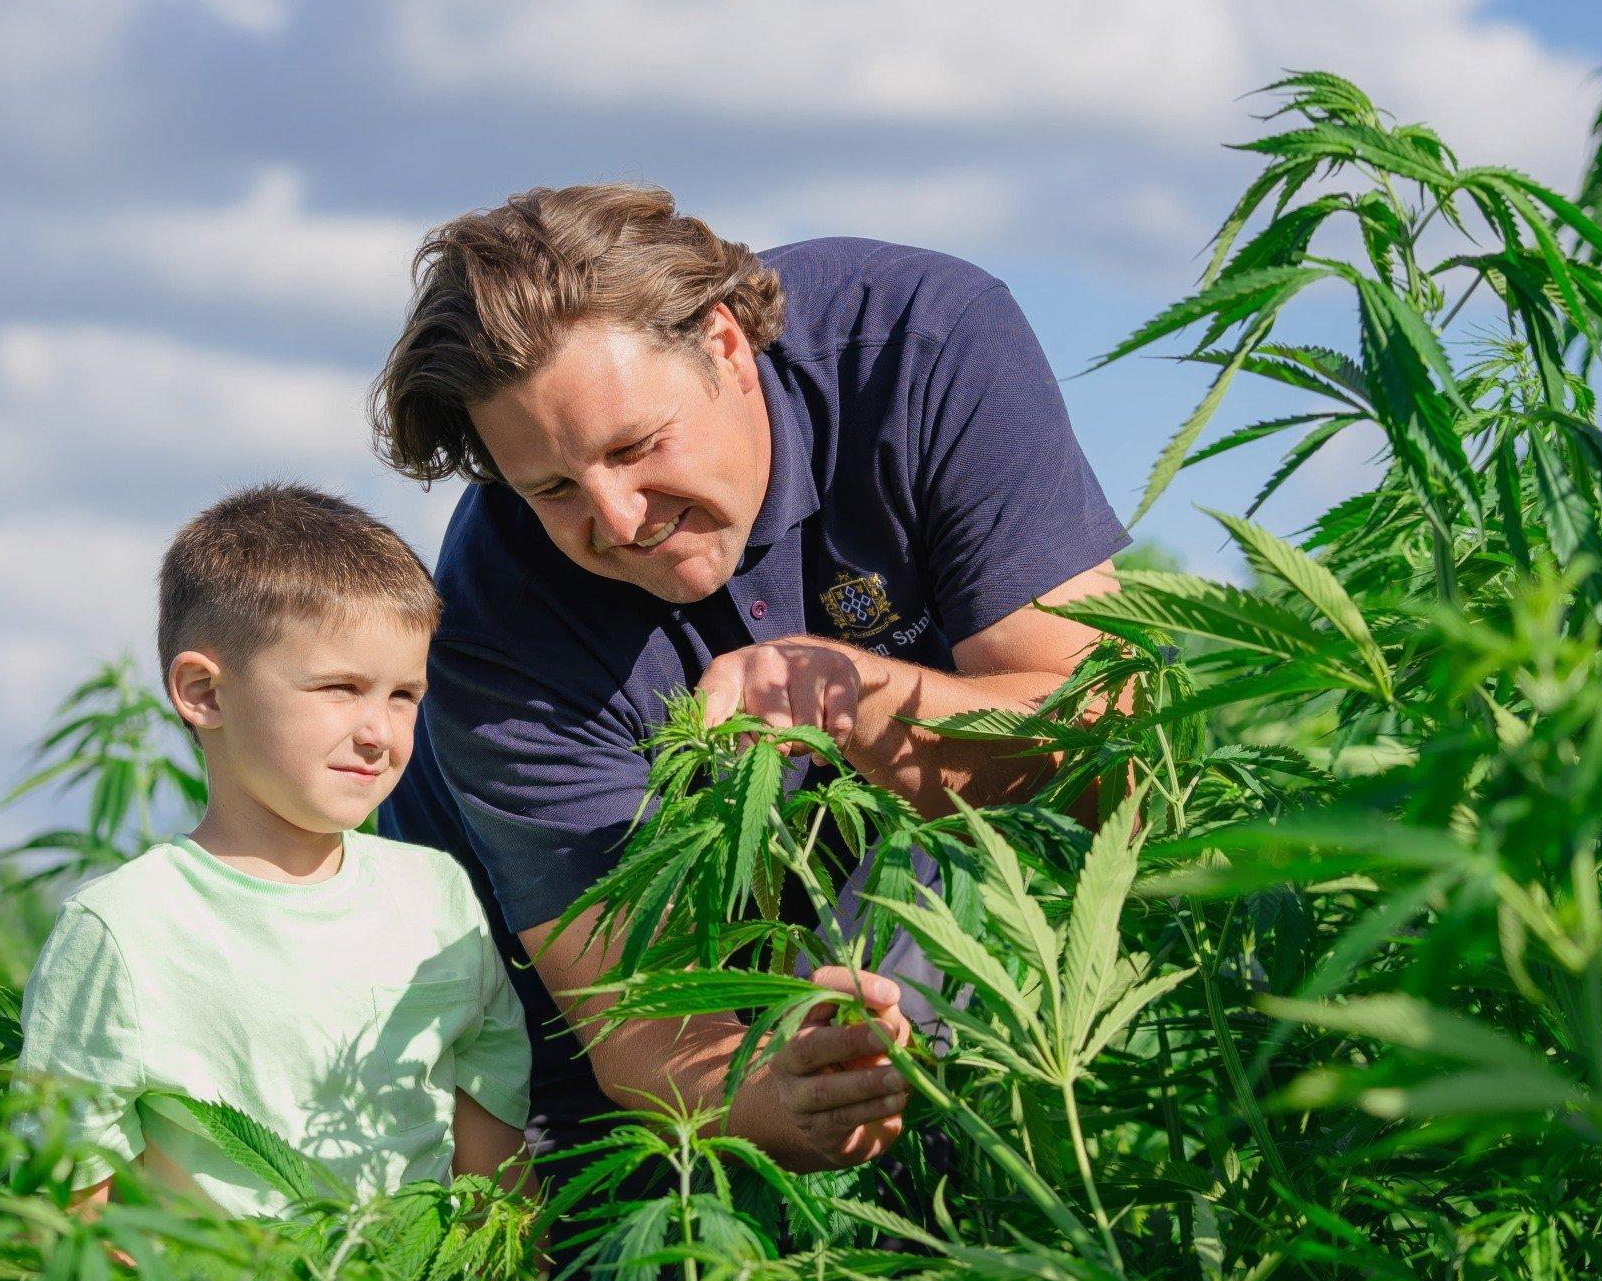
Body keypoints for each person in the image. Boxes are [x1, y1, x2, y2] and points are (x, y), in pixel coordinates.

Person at [374, 185, 1126, 1178]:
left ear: (727, 345)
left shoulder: (926, 345)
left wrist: (855, 696)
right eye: (551, 489)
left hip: (881, 904)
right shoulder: (495, 623)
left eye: (636, 448)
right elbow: (640, 1036)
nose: (617, 516)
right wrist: (790, 1093)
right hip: (548, 1029)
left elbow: (1102, 743)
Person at [21, 484, 532, 1219]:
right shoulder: (124, 927)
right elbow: (70, 1209)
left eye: (403, 696)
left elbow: (494, 1170)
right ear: (205, 694)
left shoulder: (437, 895)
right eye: (340, 687)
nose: (379, 733)